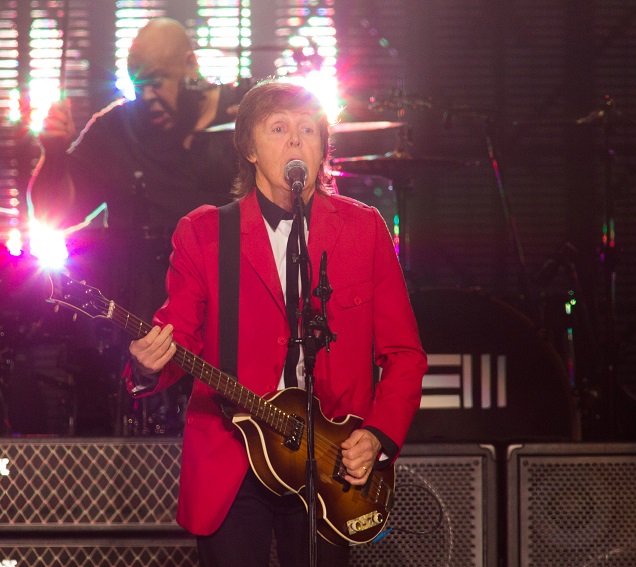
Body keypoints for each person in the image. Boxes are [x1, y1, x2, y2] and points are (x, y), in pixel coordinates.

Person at [127, 79, 427, 566]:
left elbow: (405, 355)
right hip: (233, 456)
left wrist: (376, 436)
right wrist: (147, 364)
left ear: (323, 148)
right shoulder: (205, 232)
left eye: (308, 130)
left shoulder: (364, 229)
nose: (295, 141)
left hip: (329, 461)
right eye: (279, 128)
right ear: (248, 146)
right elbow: (176, 334)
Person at [27, 18, 248, 434]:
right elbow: (52, 214)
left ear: (190, 65)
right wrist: (53, 154)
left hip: (236, 320)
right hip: (144, 320)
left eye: (157, 82)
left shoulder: (244, 116)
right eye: (136, 85)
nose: (146, 97)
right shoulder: (117, 128)